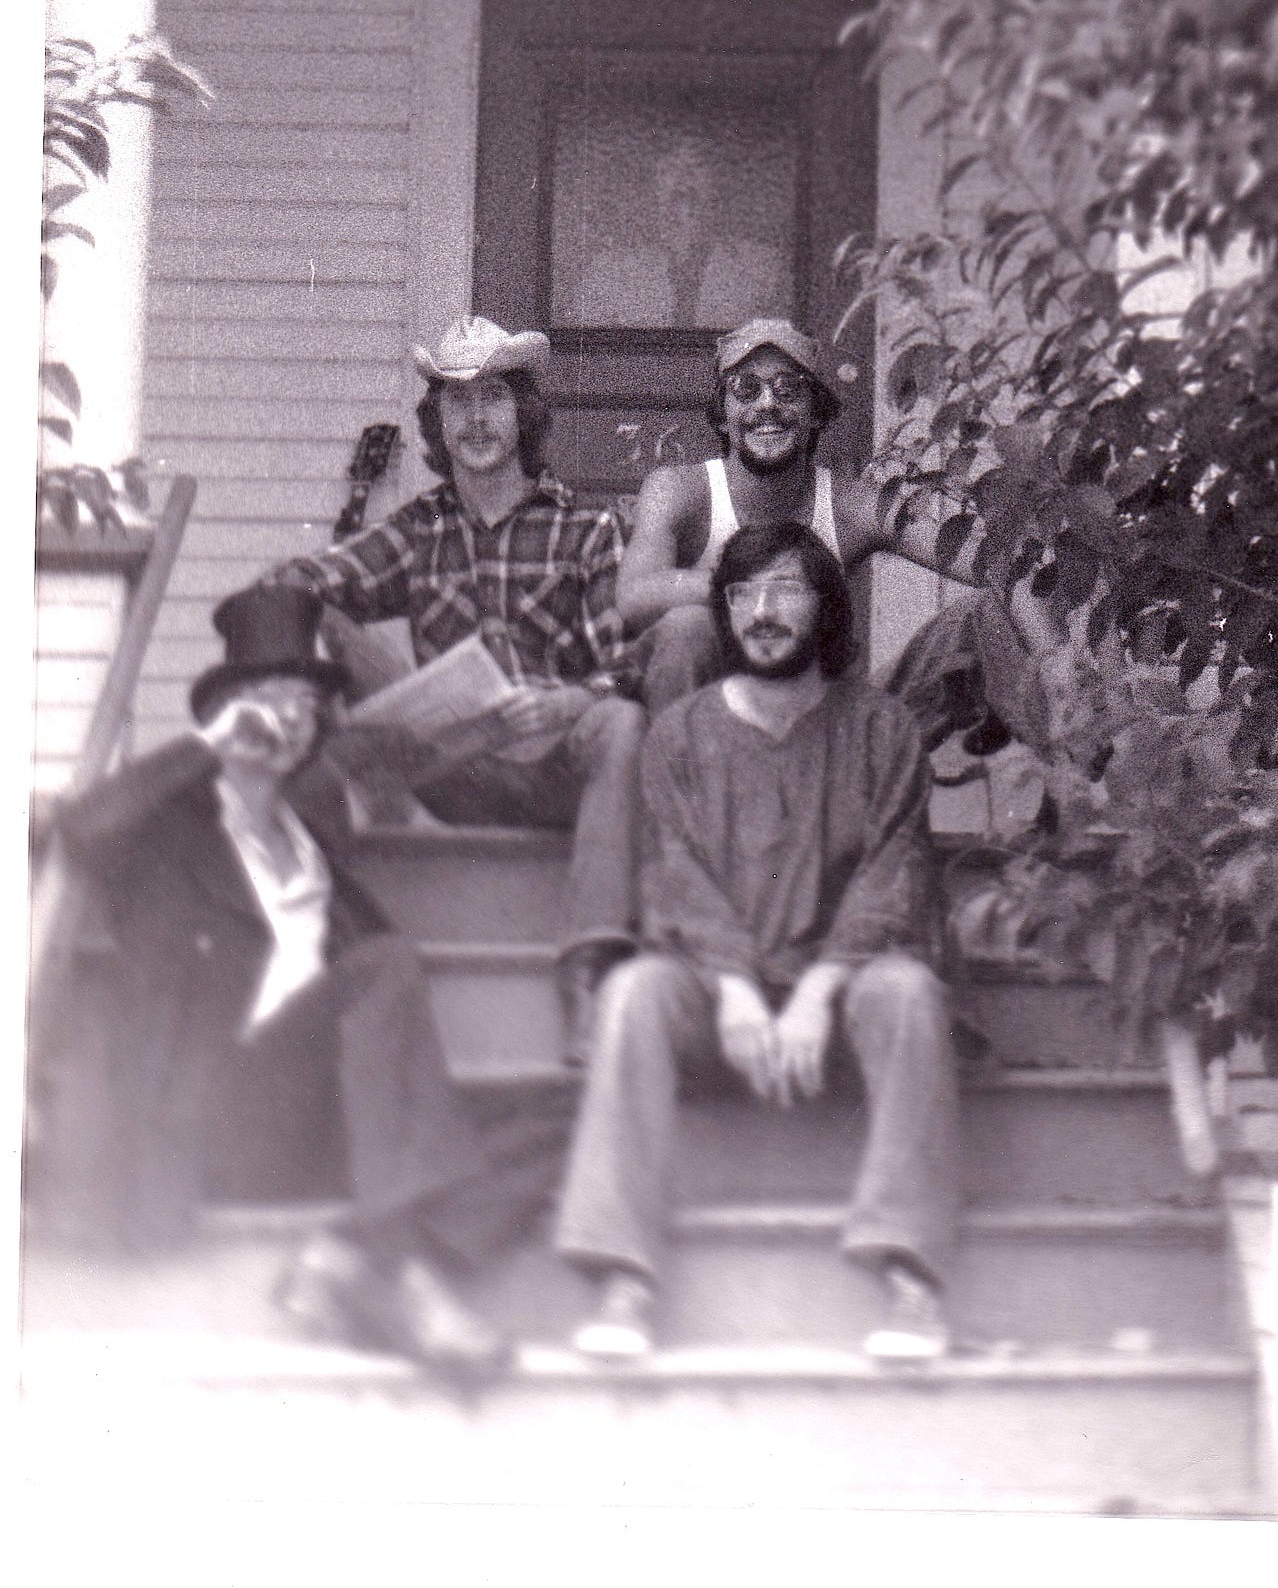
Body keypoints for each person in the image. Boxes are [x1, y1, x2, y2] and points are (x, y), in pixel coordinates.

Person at [51, 585, 576, 1382]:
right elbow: (81, 831)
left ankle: (356, 1250)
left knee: (569, 1108)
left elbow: (387, 766)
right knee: (385, 966)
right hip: (214, 1111)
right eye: (266, 699)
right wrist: (212, 746)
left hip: (319, 1120)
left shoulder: (313, 841)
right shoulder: (171, 833)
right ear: (224, 712)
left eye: (304, 703)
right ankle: (404, 1279)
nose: (287, 717)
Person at [555, 523, 962, 1361]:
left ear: (828, 606)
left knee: (910, 993)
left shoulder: (882, 730)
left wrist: (819, 993)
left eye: (786, 589)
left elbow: (894, 877)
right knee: (633, 992)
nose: (762, 612)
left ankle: (911, 1279)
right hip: (719, 1002)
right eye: (741, 593)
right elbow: (673, 875)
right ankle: (624, 1284)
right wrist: (736, 990)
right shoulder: (680, 734)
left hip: (839, 1007)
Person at [268, 315, 645, 1055]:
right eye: (457, 401)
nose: (476, 419)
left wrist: (572, 701)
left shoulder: (588, 527)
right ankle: (319, 909)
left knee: (621, 721)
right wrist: (298, 598)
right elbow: (303, 579)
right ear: (437, 421)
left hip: (558, 773)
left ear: (525, 413)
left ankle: (589, 974)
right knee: (301, 609)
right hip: (453, 769)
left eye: (495, 397)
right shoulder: (420, 528)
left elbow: (620, 670)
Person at [618, 316, 1053, 756]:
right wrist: (752, 585)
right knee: (687, 626)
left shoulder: (849, 504)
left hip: (819, 739)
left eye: (789, 389)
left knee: (987, 614)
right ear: (723, 415)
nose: (767, 404)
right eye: (746, 388)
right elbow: (634, 595)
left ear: (816, 414)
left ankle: (1071, 771)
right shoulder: (680, 490)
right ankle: (680, 811)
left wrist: (1056, 659)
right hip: (712, 749)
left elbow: (993, 563)